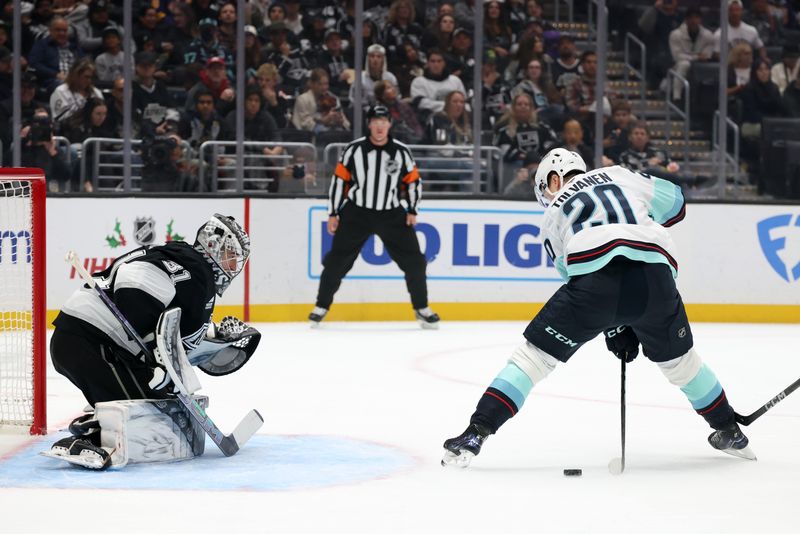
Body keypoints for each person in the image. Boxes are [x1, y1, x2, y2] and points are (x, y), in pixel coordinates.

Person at [441, 148, 756, 468]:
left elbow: (578, 277)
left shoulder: (551, 217)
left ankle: (475, 433)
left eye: (544, 192)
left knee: (532, 359)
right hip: (656, 279)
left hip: (595, 284)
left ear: (555, 179)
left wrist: (615, 325)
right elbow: (676, 205)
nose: (546, 201)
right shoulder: (621, 174)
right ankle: (727, 427)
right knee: (682, 364)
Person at [48, 214, 258, 468]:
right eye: (231, 255)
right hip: (91, 339)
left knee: (156, 394)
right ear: (213, 246)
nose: (234, 264)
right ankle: (97, 437)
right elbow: (132, 277)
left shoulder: (184, 260)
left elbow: (172, 331)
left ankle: (99, 418)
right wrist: (156, 349)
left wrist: (213, 339)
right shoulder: (196, 270)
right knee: (157, 409)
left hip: (83, 338)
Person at [309, 105, 439, 329]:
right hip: (357, 212)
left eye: (384, 121)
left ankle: (422, 308)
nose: (379, 125)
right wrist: (333, 212)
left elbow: (414, 182)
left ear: (389, 124)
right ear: (369, 124)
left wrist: (412, 210)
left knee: (415, 262)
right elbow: (339, 182)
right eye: (375, 121)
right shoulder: (354, 150)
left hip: (391, 213)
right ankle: (321, 306)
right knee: (337, 260)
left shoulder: (400, 151)